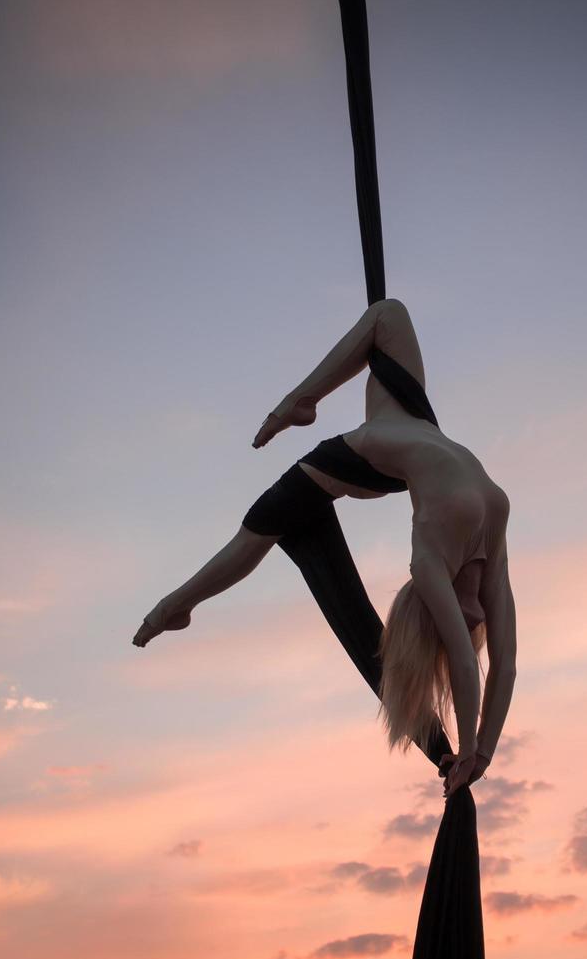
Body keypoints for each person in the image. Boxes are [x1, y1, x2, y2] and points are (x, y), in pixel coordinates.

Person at [132, 298, 516, 798]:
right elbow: (479, 665)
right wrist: (474, 752)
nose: (472, 620)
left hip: (377, 451)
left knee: (259, 529)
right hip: (406, 429)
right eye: (469, 623)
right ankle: (296, 403)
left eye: (460, 624)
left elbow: (495, 666)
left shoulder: (430, 564)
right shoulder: (469, 558)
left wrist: (478, 754)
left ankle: (172, 606)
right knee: (389, 313)